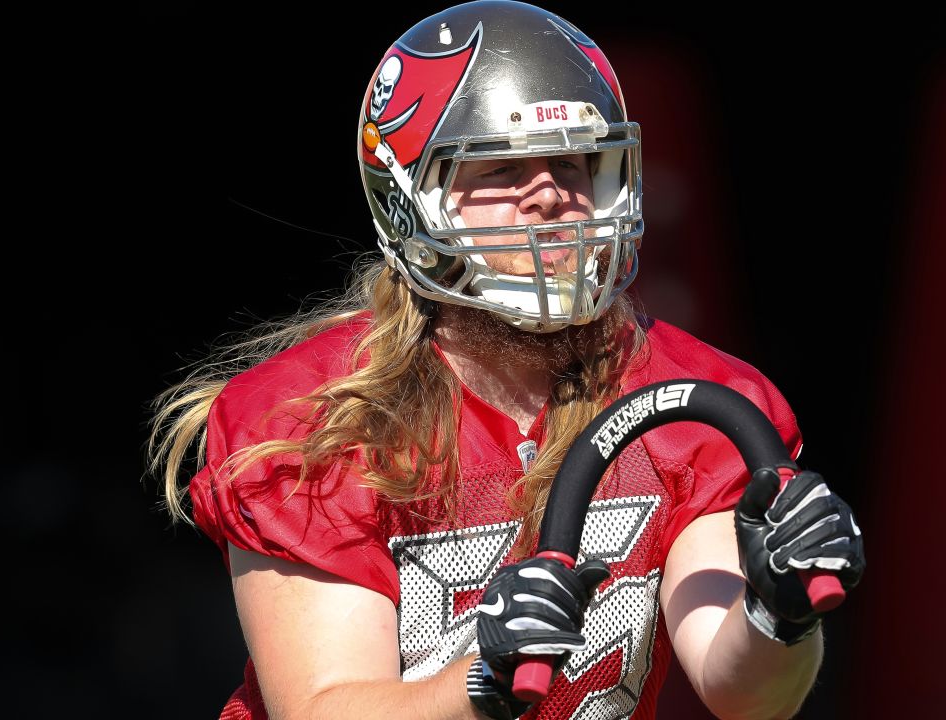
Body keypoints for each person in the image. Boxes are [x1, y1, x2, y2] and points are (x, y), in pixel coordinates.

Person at [148, 2, 865, 719]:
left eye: (573, 161)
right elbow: (327, 707)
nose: (550, 193)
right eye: (500, 168)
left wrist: (780, 616)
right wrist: (484, 675)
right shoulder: (311, 418)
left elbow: (744, 693)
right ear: (412, 202)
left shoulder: (694, 396)